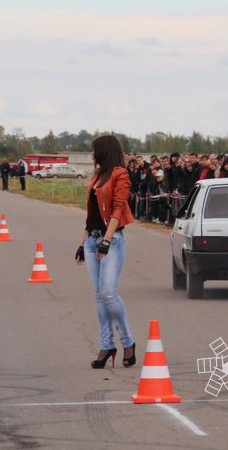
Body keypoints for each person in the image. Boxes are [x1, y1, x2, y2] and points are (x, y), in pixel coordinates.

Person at [75, 135, 136, 370]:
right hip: (92, 241)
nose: (92, 154)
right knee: (100, 295)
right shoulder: (98, 175)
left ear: (105, 150)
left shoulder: (120, 174)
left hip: (111, 240)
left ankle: (128, 342)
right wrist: (82, 244)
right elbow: (90, 214)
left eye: (95, 150)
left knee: (109, 293)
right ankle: (106, 346)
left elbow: (118, 209)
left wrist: (107, 240)